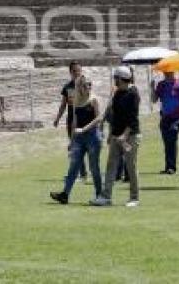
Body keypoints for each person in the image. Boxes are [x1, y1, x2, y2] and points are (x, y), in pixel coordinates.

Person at [91, 66, 140, 207]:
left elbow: (133, 119)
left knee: (131, 166)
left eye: (116, 78)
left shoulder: (133, 94)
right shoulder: (117, 93)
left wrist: (124, 135)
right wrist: (112, 134)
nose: (114, 81)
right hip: (116, 136)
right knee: (111, 166)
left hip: (130, 136)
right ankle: (106, 197)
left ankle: (134, 198)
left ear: (121, 78)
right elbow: (115, 116)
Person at [51, 76, 103, 204]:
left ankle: (99, 195)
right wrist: (72, 141)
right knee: (73, 166)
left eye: (90, 85)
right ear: (79, 87)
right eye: (85, 85)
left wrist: (84, 129)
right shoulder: (76, 101)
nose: (88, 88)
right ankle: (65, 194)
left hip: (92, 136)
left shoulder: (94, 100)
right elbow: (74, 121)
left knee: (94, 167)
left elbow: (98, 118)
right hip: (79, 138)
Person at [150, 70, 179, 175]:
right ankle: (168, 166)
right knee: (167, 142)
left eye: (169, 71)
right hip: (165, 117)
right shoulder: (161, 85)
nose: (167, 73)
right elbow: (154, 100)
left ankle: (172, 167)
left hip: (176, 117)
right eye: (166, 71)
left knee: (172, 138)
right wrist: (152, 88)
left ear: (173, 72)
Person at [54, 61, 87, 181]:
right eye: (74, 71)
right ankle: (81, 173)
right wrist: (57, 118)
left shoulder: (86, 85)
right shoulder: (67, 87)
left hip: (83, 119)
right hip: (71, 120)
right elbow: (63, 104)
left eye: (79, 70)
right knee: (75, 146)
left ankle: (82, 173)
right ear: (70, 72)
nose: (77, 73)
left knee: (80, 146)